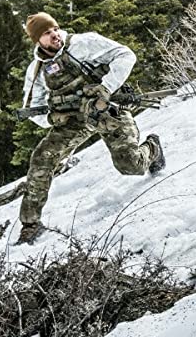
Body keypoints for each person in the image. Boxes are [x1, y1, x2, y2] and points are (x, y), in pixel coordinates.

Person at [15, 13, 165, 244]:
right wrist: (53, 119)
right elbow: (33, 107)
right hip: (74, 121)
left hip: (108, 110)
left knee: (130, 165)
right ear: (37, 40)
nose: (54, 34)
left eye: (54, 28)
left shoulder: (83, 43)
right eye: (46, 33)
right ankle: (30, 224)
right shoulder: (37, 71)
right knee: (42, 158)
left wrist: (105, 89)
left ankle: (152, 148)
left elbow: (125, 55)